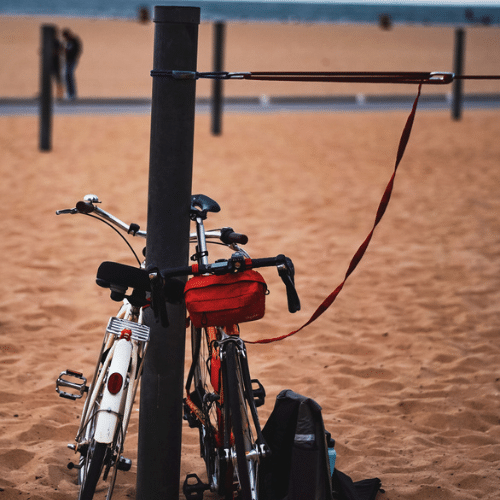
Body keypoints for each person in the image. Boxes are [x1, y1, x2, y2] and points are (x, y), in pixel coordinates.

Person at [62, 29, 82, 100]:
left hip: (72, 60)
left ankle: (72, 93)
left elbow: (78, 50)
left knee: (68, 75)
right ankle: (69, 92)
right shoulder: (68, 41)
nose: (65, 39)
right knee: (66, 75)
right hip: (67, 60)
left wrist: (73, 56)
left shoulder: (74, 41)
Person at [51, 28, 64, 100]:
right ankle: (59, 95)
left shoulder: (57, 42)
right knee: (56, 80)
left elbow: (61, 50)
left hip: (56, 64)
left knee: (58, 80)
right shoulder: (52, 42)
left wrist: (54, 52)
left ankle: (60, 95)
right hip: (52, 64)